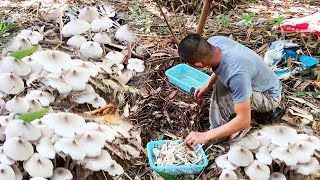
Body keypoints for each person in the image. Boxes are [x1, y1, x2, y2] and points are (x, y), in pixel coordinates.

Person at [178, 34, 283, 146]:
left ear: (198, 65)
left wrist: (206, 135)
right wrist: (207, 85)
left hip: (269, 96)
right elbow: (221, 67)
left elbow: (244, 121)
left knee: (227, 94)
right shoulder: (215, 42)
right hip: (258, 81)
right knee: (224, 83)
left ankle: (215, 137)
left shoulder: (236, 76)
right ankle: (216, 129)